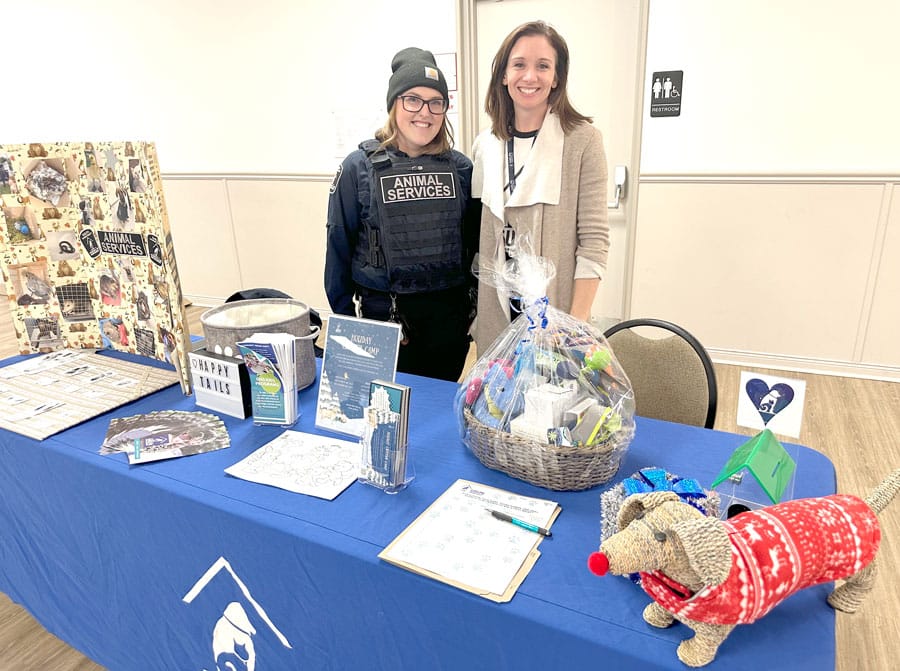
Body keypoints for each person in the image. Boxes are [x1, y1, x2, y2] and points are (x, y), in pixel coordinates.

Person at [324, 47, 478, 382]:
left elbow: (476, 247)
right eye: (412, 100)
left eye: (436, 102)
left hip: (449, 323)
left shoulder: (462, 168)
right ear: (394, 104)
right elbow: (338, 248)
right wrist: (346, 324)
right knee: (382, 406)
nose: (425, 112)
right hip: (384, 319)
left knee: (437, 405)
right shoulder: (358, 168)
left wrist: (474, 311)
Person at [472, 20, 610, 354]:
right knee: (498, 386)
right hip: (497, 315)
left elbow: (594, 243)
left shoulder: (583, 141)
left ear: (557, 77)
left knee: (550, 385)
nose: (530, 76)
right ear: (504, 75)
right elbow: (476, 233)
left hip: (557, 317)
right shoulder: (485, 144)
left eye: (543, 66)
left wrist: (575, 325)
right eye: (519, 64)